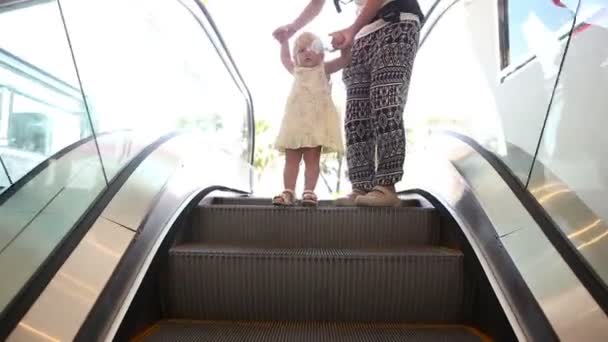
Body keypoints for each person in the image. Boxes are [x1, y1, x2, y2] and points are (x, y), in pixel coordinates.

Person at [273, 0, 423, 207]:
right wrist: (292, 28)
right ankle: (361, 186)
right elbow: (317, 3)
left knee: (385, 100)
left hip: (396, 19)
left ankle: (386, 186)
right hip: (362, 34)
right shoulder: (299, 69)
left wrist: (352, 29)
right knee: (356, 114)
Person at [272, 32, 350, 206]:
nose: (306, 53)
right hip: (295, 124)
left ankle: (309, 191)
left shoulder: (323, 68)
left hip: (316, 125)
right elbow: (284, 58)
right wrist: (284, 41)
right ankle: (288, 191)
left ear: (321, 55)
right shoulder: (296, 70)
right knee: (291, 159)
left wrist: (343, 45)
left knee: (312, 160)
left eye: (311, 49)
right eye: (301, 50)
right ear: (295, 57)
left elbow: (344, 61)